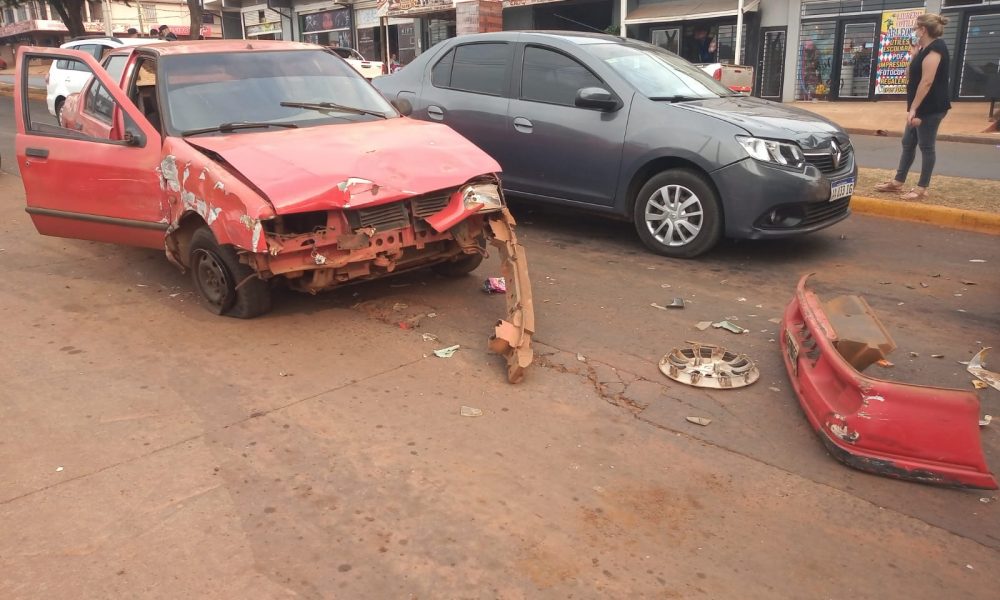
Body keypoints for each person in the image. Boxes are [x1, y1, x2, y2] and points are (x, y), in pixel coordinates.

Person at [875, 13, 951, 200]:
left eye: (916, 28)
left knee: (926, 146)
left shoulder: (936, 49)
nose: (915, 31)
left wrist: (914, 109)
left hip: (930, 107)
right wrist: (914, 56)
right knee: (908, 142)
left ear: (923, 29)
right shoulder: (924, 49)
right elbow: (911, 74)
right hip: (918, 106)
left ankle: (922, 188)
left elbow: (926, 82)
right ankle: (898, 182)